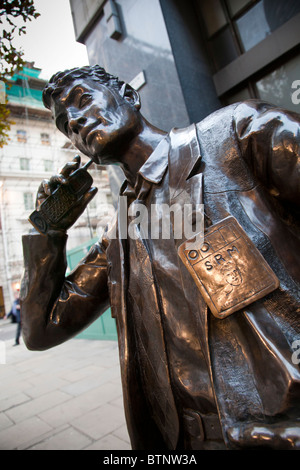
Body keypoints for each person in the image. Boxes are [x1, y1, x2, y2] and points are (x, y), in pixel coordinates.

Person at [20, 65, 300, 450]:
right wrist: (47, 233)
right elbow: (41, 330)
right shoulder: (118, 236)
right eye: (67, 125)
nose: (77, 121)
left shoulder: (238, 133)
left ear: (129, 95)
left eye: (84, 100)